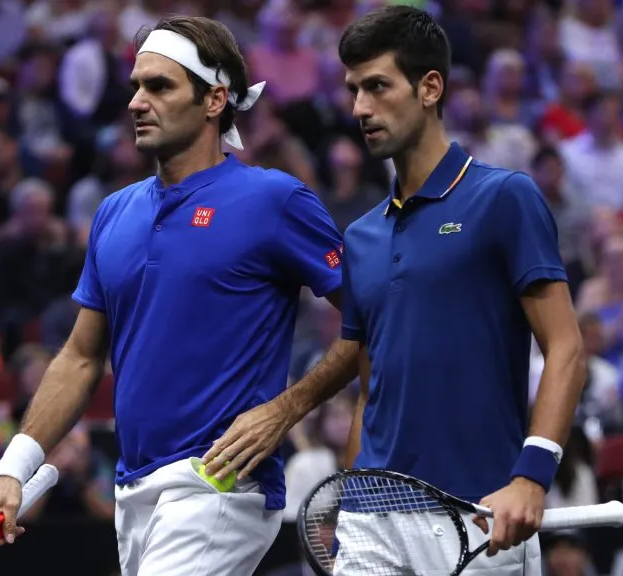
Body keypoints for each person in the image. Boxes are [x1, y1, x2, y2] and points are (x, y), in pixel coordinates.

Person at [206, 6, 587, 573]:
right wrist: (356, 496)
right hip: (372, 522)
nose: (360, 107)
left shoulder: (506, 198)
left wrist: (532, 475)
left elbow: (566, 348)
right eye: (354, 90)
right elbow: (370, 387)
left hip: (478, 514)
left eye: (377, 86)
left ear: (430, 87)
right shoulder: (360, 238)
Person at [0, 16, 348, 576]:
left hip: (220, 483)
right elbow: (79, 358)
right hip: (133, 493)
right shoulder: (113, 212)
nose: (136, 102)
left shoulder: (275, 199)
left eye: (159, 86)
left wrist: (285, 409)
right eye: (135, 86)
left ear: (215, 100)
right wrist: (13, 469)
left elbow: (375, 318)